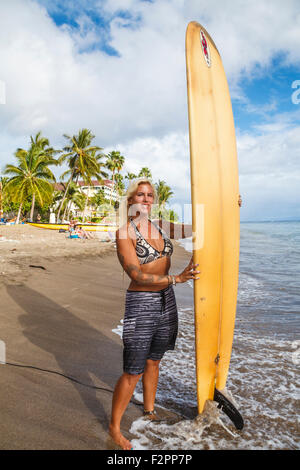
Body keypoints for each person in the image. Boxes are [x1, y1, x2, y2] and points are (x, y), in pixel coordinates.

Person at [109, 178, 200, 450]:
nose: (146, 199)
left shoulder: (161, 225)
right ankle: (115, 427)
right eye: (140, 195)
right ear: (131, 200)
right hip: (142, 303)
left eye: (150, 195)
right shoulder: (124, 233)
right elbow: (136, 275)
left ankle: (149, 411)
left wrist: (230, 206)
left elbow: (195, 229)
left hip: (166, 301)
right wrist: (177, 279)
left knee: (154, 361)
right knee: (132, 371)